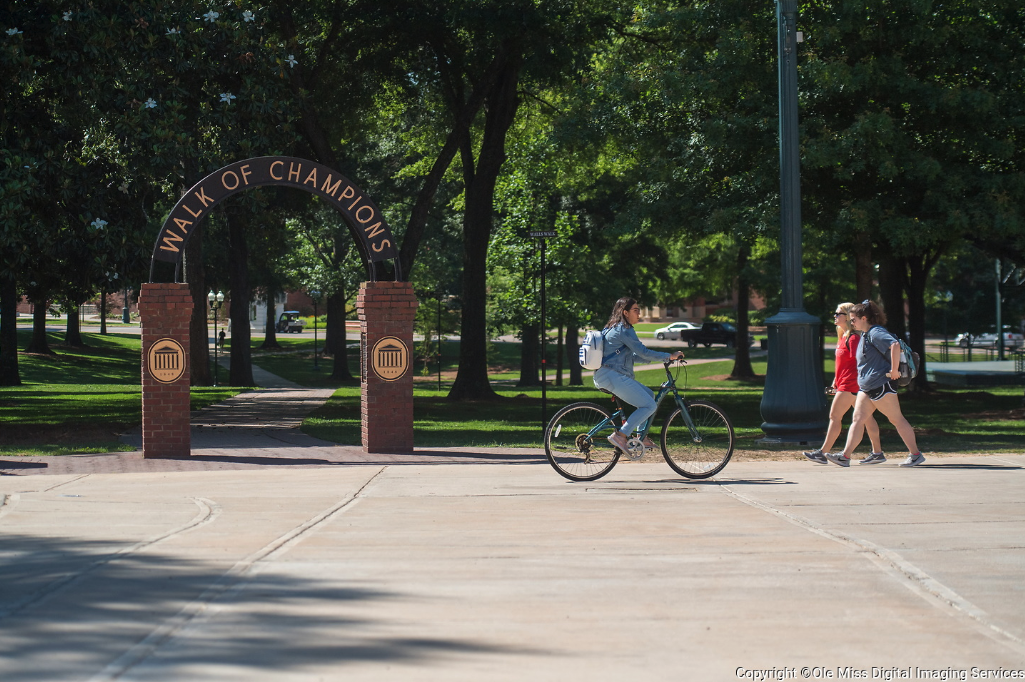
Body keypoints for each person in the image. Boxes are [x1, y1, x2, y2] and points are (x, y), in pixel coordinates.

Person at [825, 300, 925, 467]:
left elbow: (894, 345)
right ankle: (845, 456)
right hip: (867, 386)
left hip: (881, 385)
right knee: (857, 419)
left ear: (864, 318)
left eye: (854, 319)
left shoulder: (875, 332)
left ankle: (915, 454)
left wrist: (894, 370)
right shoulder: (865, 334)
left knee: (897, 420)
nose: (852, 322)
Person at [593, 297, 684, 459]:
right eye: (635, 310)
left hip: (608, 374)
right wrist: (669, 356)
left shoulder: (614, 327)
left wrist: (662, 358)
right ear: (625, 312)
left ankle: (640, 437)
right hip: (611, 375)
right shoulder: (624, 329)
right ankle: (621, 436)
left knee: (649, 396)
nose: (639, 313)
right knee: (649, 406)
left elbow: (634, 356)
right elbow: (643, 351)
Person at [803, 302, 884, 464]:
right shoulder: (843, 337)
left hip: (851, 384)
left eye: (838, 313)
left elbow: (860, 362)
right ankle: (877, 453)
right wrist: (835, 381)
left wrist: (855, 384)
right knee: (867, 419)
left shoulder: (854, 338)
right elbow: (843, 364)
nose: (835, 316)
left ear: (847, 317)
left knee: (835, 416)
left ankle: (823, 453)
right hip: (845, 384)